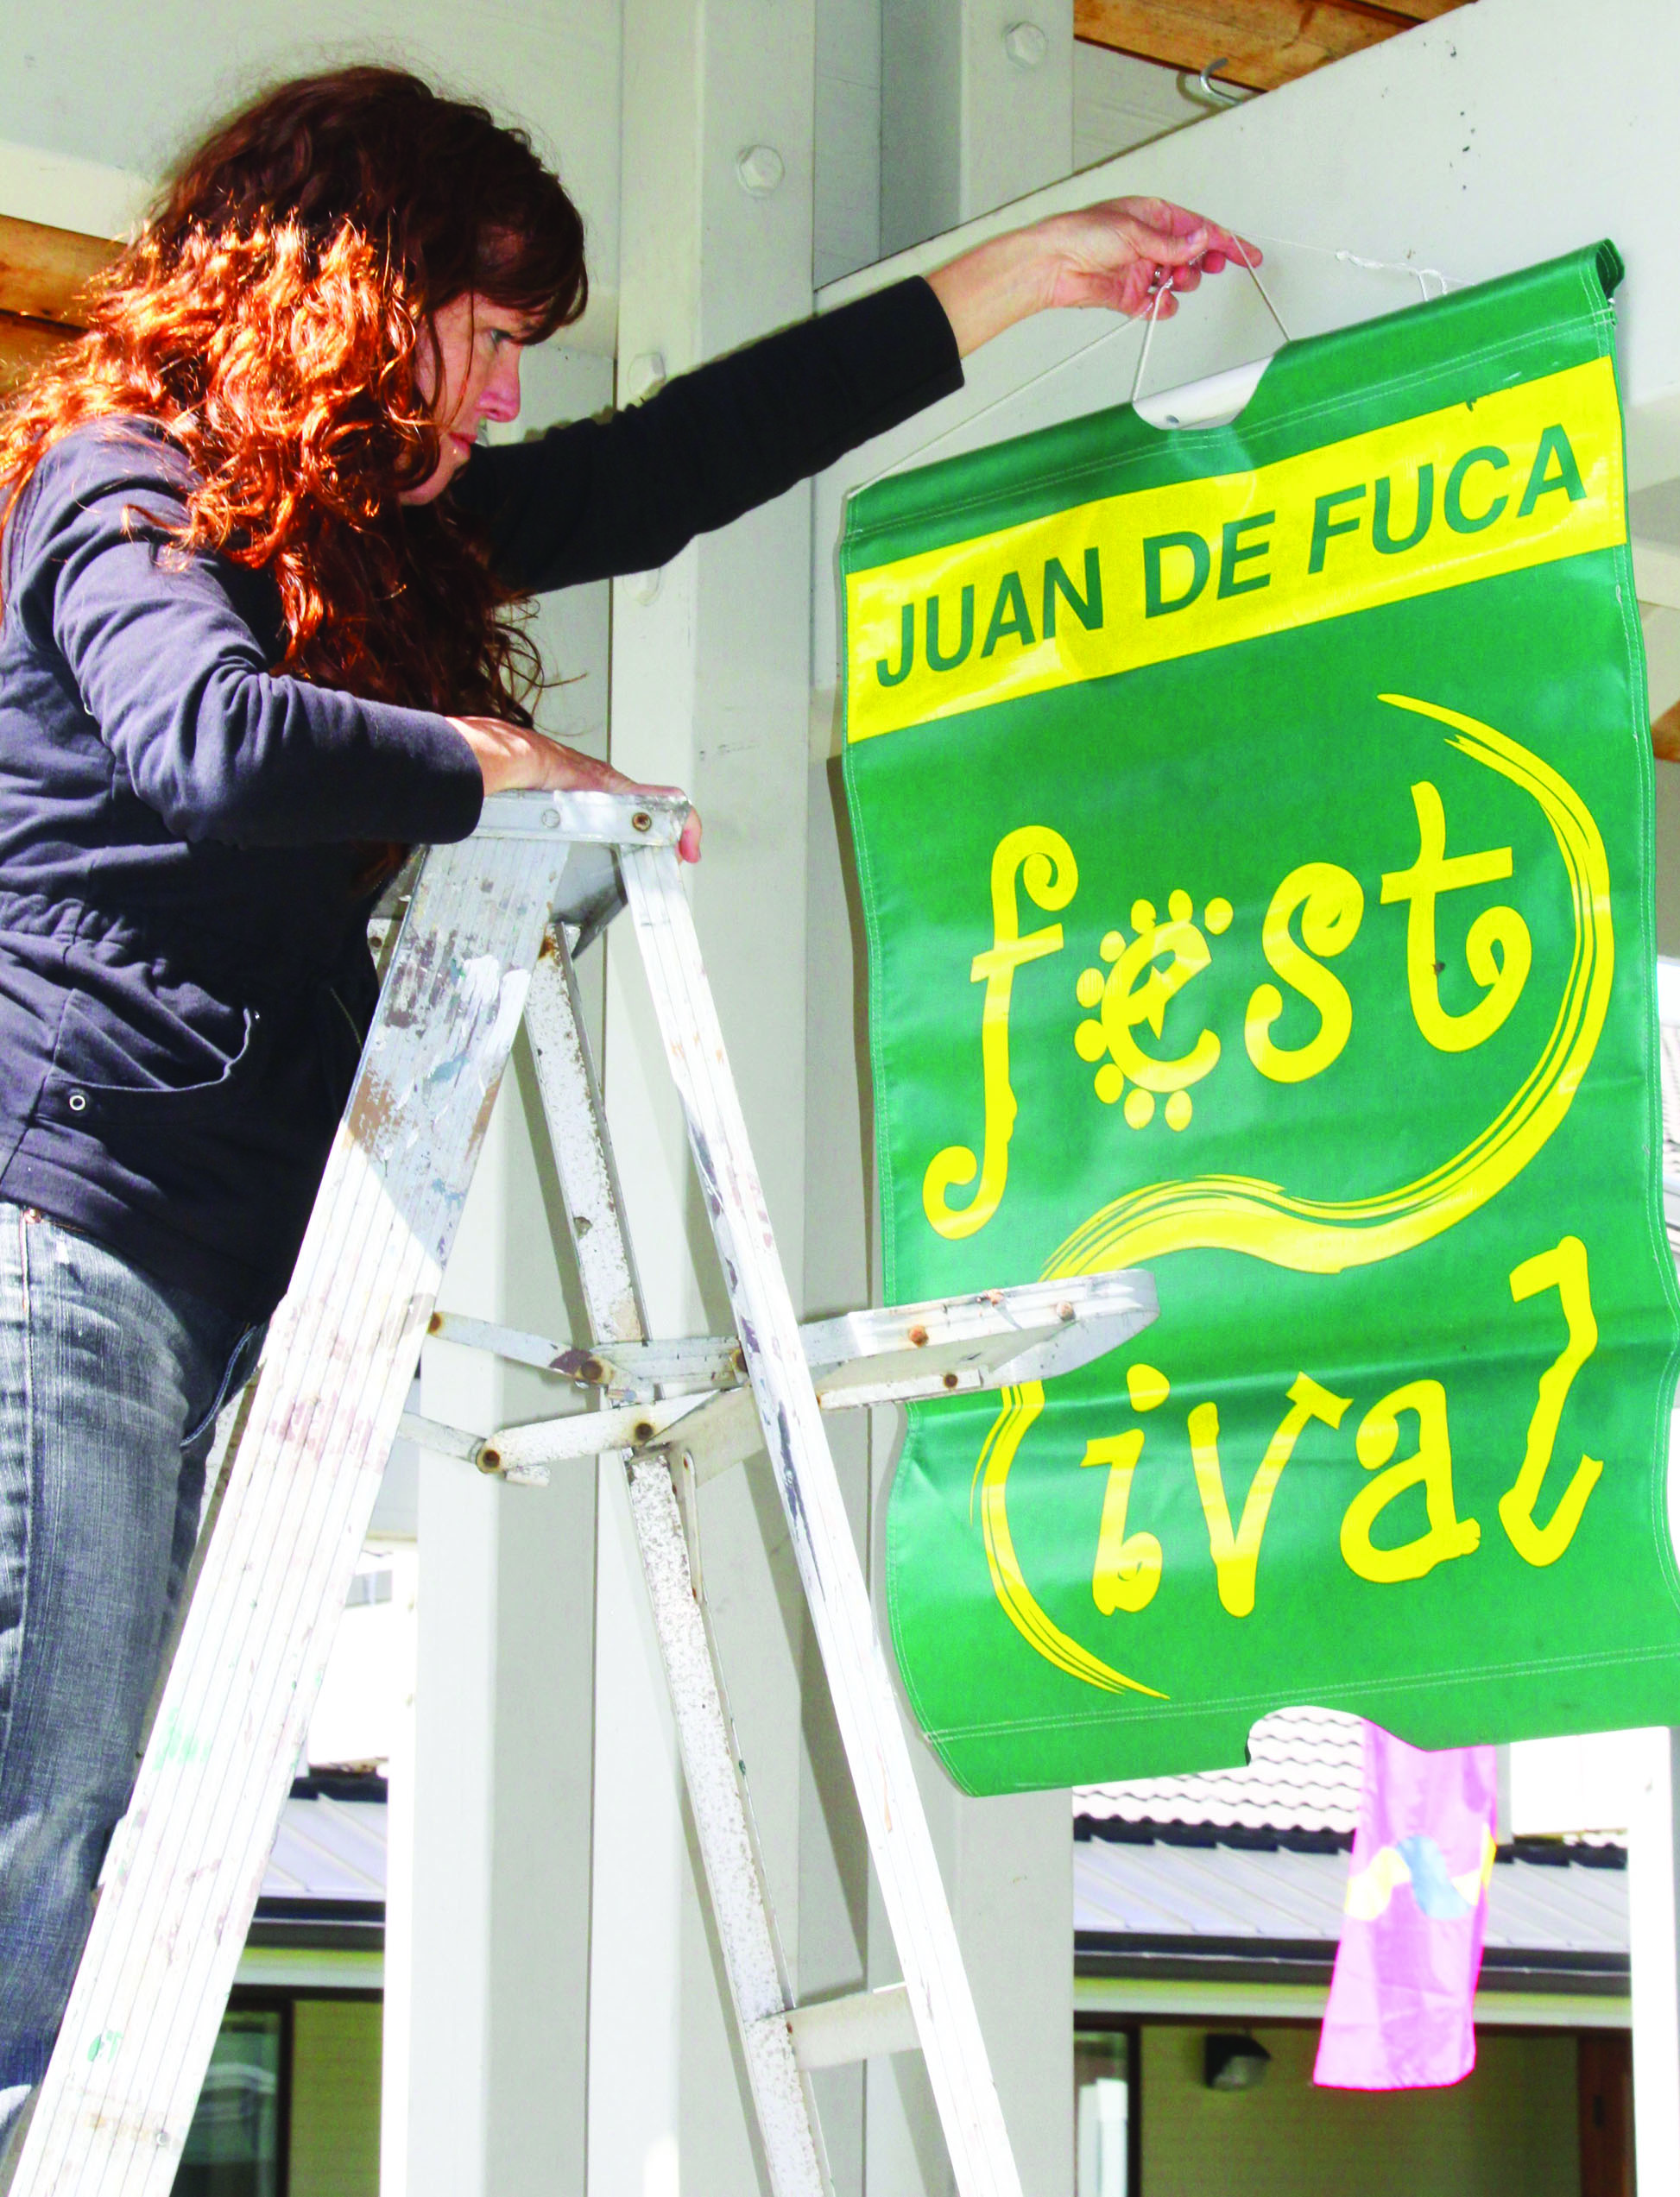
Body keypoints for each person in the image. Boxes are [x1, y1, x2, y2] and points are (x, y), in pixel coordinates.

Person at [0, 62, 1247, 2136]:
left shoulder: (368, 545)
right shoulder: (123, 479)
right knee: (37, 1826)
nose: (499, 398)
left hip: (184, 1269)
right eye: (482, 333)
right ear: (349, 290)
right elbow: (205, 739)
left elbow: (673, 468)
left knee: (77, 1825)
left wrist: (1021, 276)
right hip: (61, 1240)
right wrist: (491, 764)